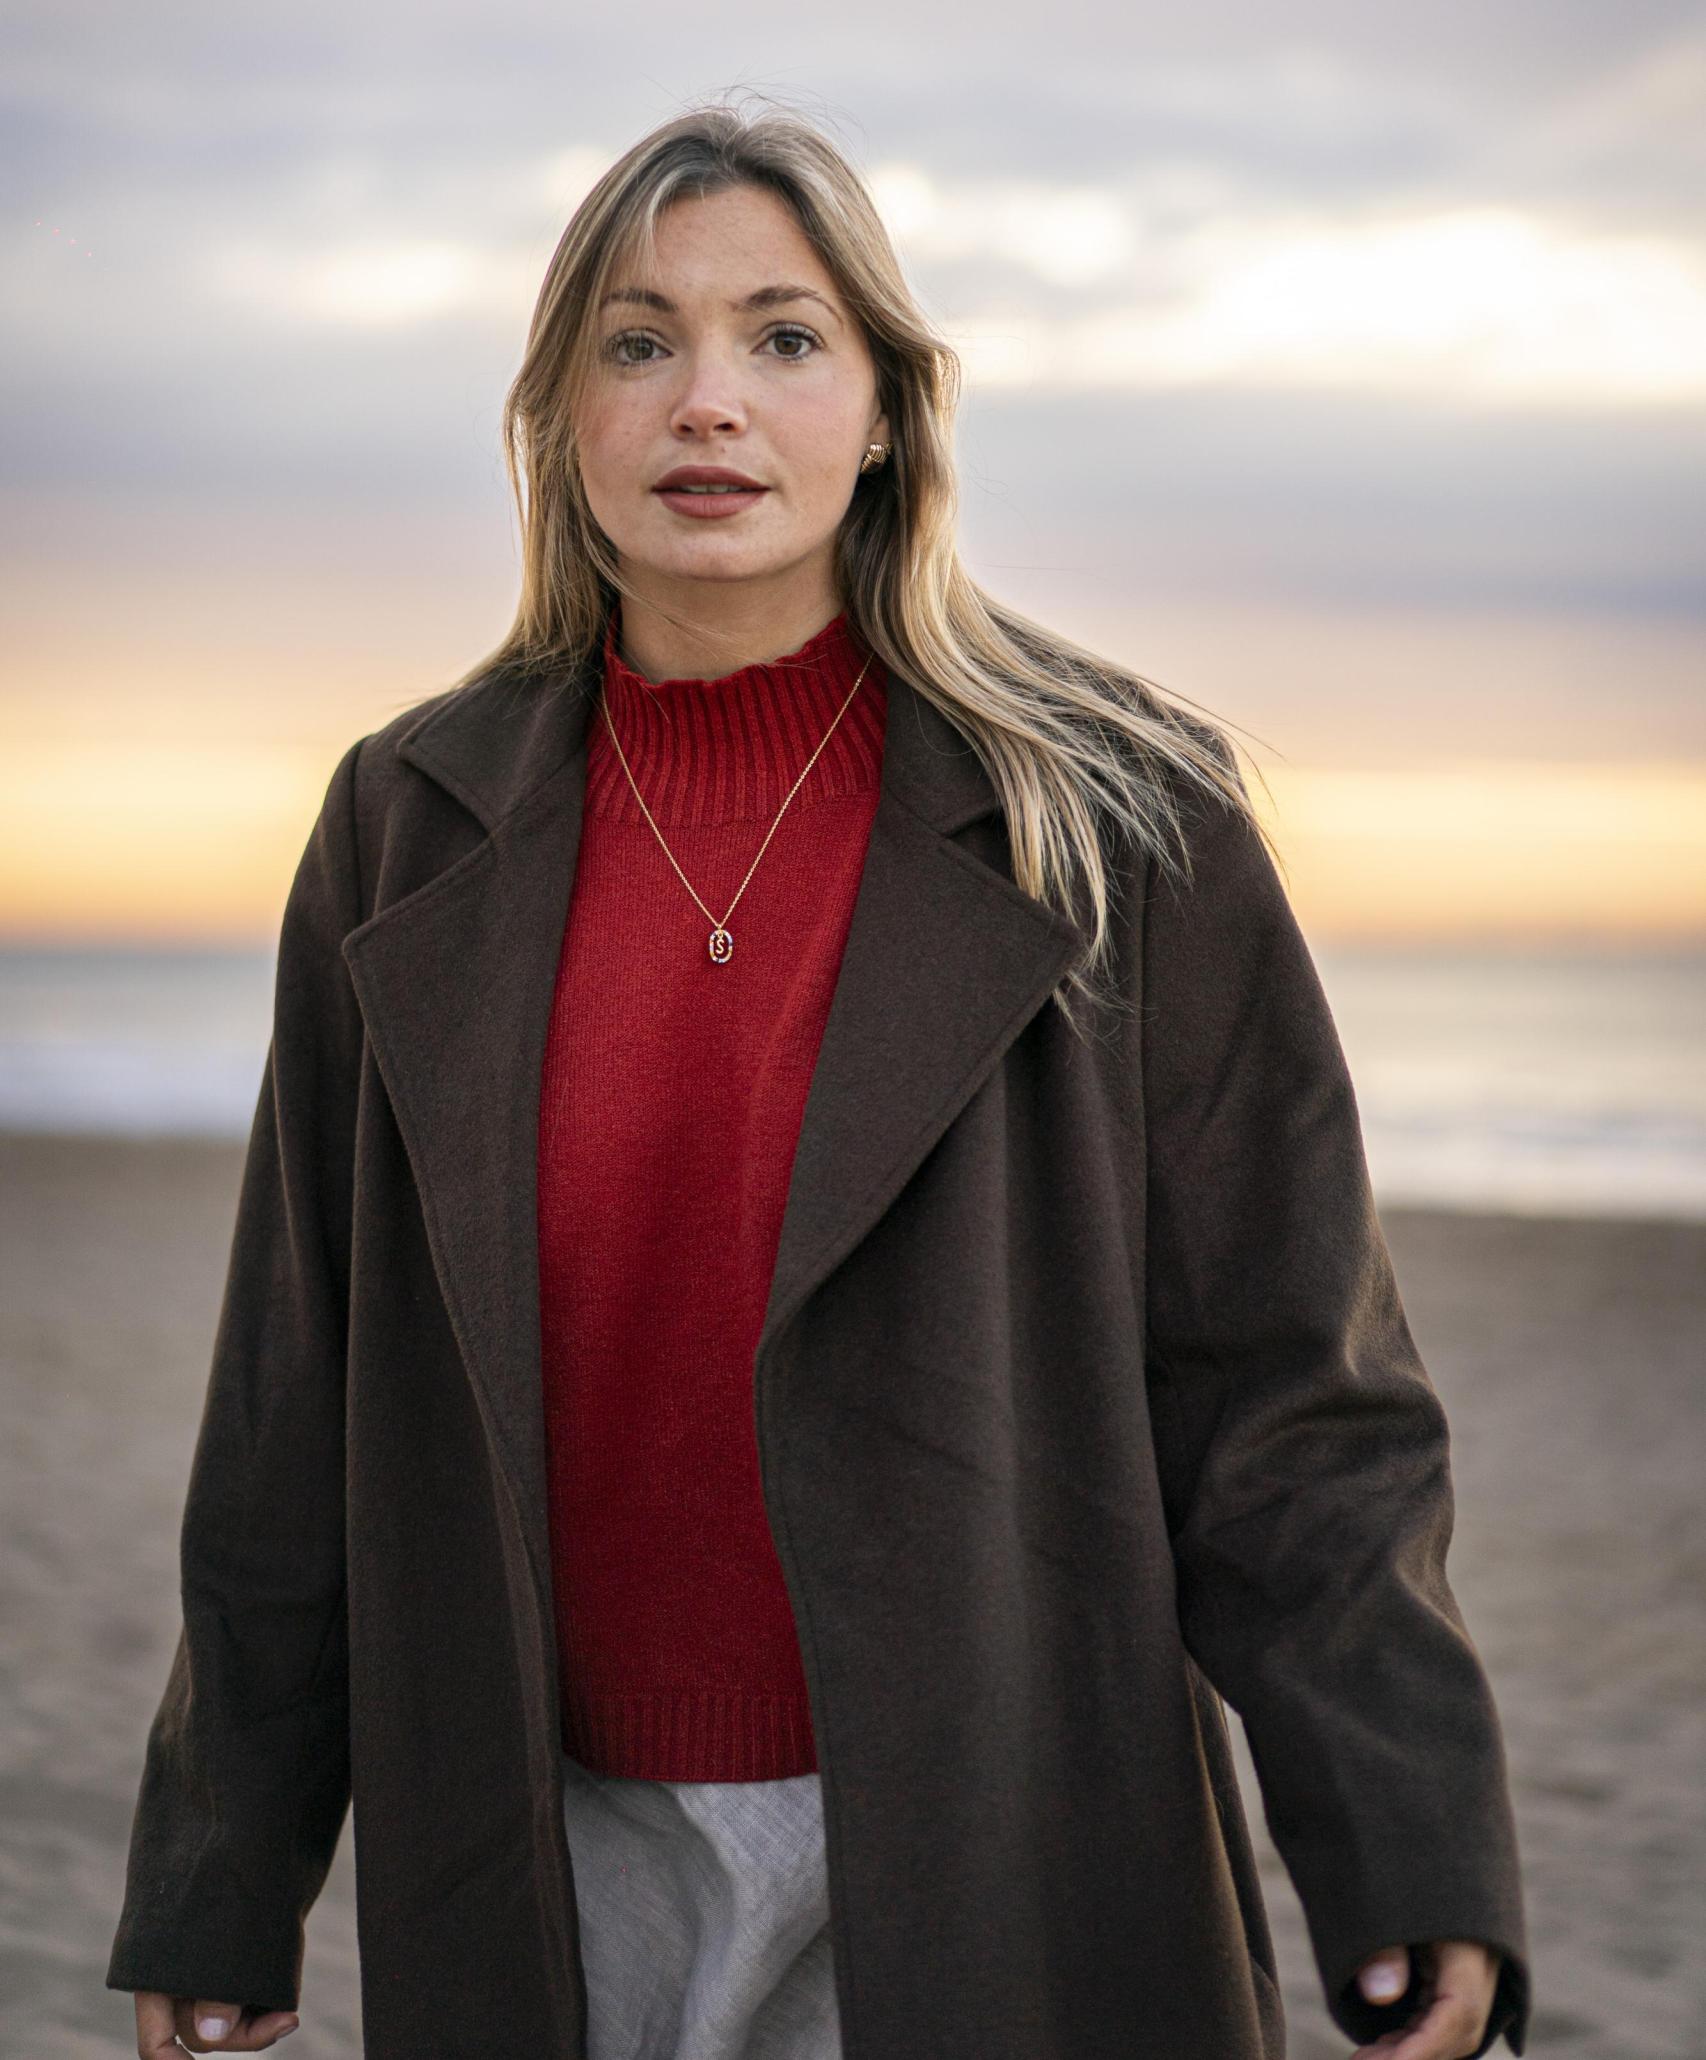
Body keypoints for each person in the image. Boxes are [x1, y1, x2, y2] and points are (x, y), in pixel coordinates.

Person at [108, 95, 1531, 2060]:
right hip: (544, 1844)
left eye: (782, 337)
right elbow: (293, 1392)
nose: (709, 399)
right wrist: (223, 1859)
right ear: (560, 421)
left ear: (882, 409)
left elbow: (1294, 1390)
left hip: (997, 1829)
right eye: (638, 340)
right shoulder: (406, 826)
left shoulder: (1119, 818)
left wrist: (1409, 1848)